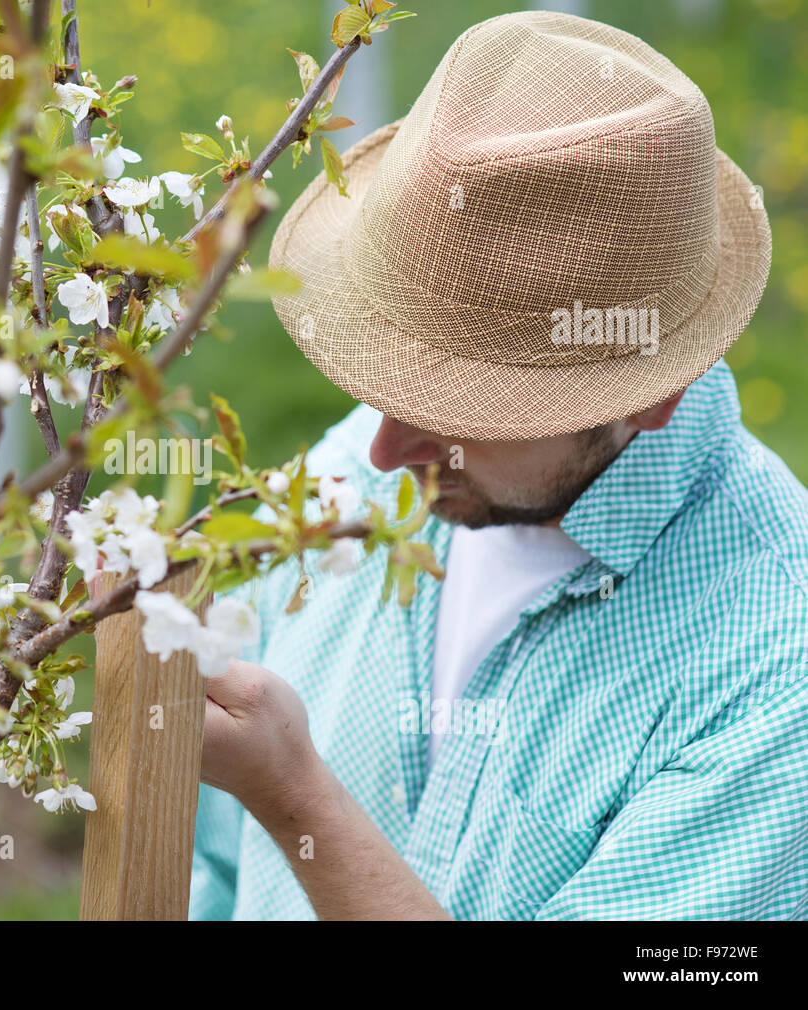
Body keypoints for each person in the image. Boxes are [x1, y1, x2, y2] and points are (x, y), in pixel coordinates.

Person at [191, 10, 808, 920]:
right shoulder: (353, 479)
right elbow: (220, 878)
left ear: (649, 397)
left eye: (461, 413)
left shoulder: (769, 671)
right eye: (391, 377)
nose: (381, 451)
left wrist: (295, 800)